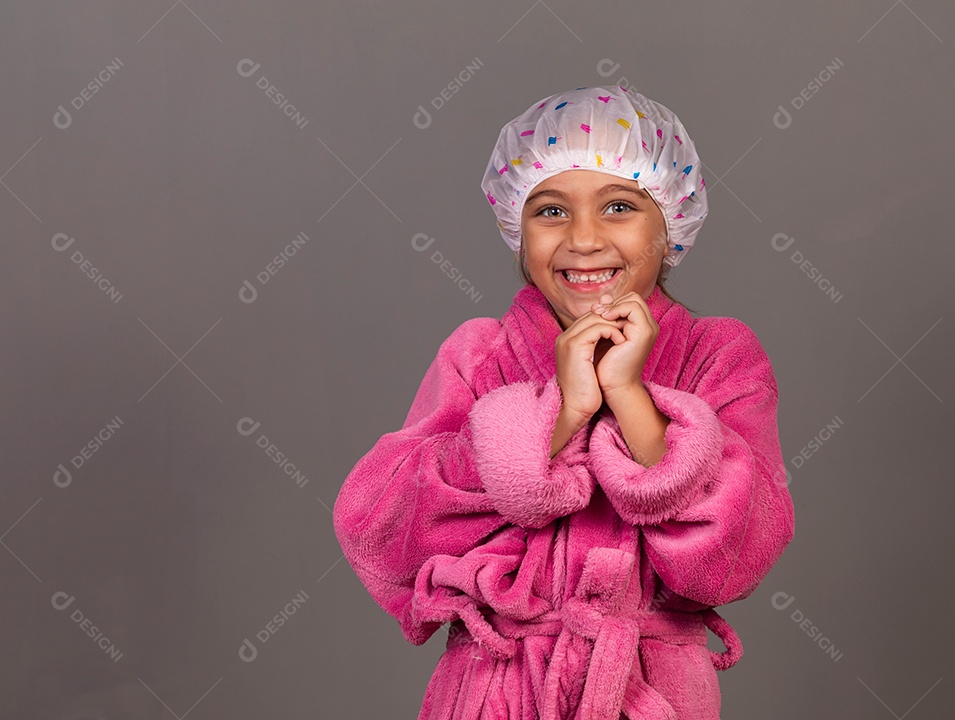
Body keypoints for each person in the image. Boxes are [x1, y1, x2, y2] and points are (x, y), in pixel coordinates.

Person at [332, 84, 796, 720]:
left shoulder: (719, 357)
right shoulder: (480, 356)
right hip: (491, 694)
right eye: (550, 211)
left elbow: (737, 556)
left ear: (671, 225)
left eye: (619, 207)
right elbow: (382, 533)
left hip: (647, 691)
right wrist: (560, 416)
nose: (582, 239)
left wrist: (630, 397)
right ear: (515, 229)